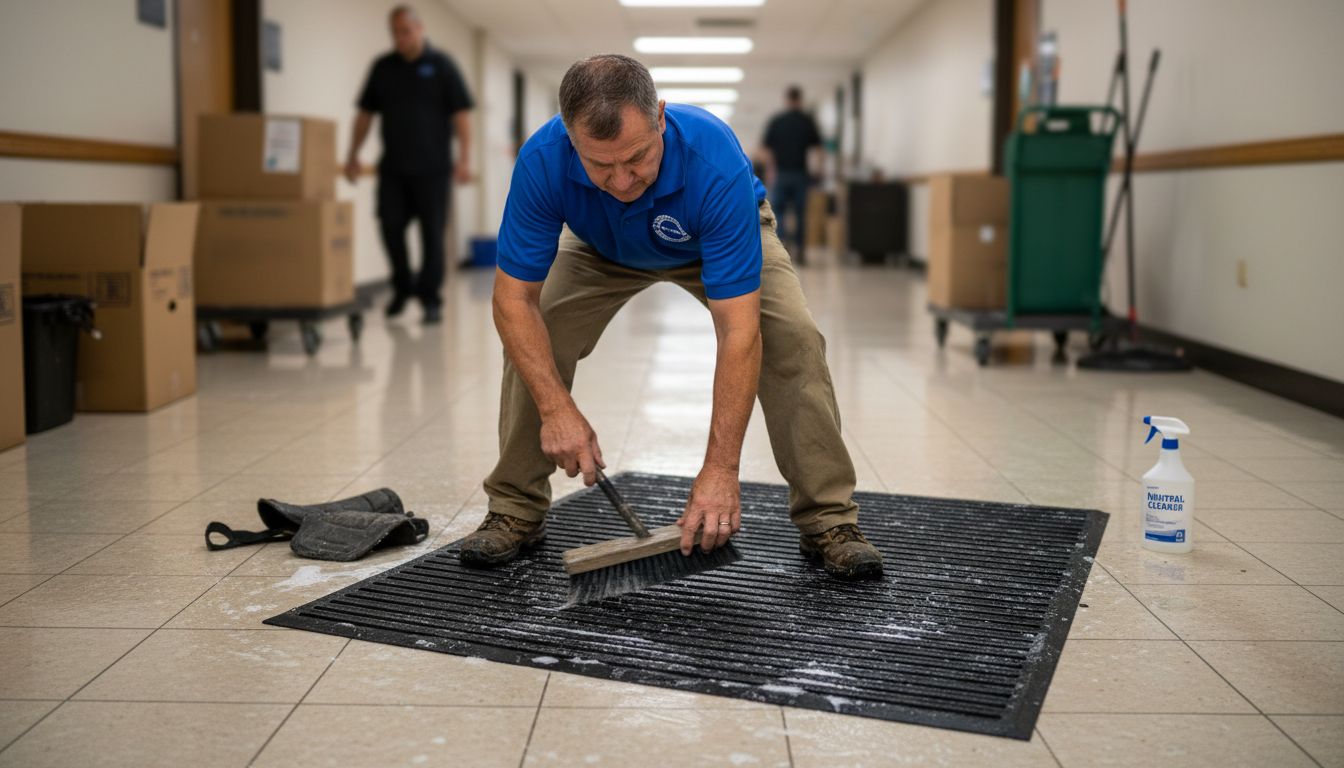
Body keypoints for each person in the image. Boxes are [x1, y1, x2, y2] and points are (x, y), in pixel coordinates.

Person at [458, 55, 882, 580]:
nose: (621, 181)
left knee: (789, 337)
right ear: (570, 139)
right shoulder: (543, 160)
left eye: (636, 158)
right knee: (538, 330)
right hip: (600, 247)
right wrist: (556, 409)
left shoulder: (713, 158)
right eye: (600, 165)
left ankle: (828, 520)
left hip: (712, 240)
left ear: (659, 117)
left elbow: (738, 332)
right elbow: (512, 301)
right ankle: (515, 508)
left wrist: (722, 468)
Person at [344, 5, 474, 325]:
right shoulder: (384, 68)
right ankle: (402, 287)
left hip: (433, 169)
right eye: (395, 32)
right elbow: (365, 114)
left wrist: (465, 159)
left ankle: (430, 298)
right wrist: (352, 153)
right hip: (394, 169)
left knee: (432, 235)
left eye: (405, 31)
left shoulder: (442, 66)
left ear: (419, 29)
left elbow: (461, 115)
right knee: (390, 227)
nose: (400, 38)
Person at [760, 85, 822, 264]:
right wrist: (818, 171)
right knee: (801, 213)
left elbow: (766, 151)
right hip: (801, 174)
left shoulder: (777, 121)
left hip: (781, 174)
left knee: (779, 212)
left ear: (787, 99)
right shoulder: (807, 120)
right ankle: (801, 252)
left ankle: (782, 250)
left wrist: (770, 173)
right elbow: (818, 150)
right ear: (800, 99)